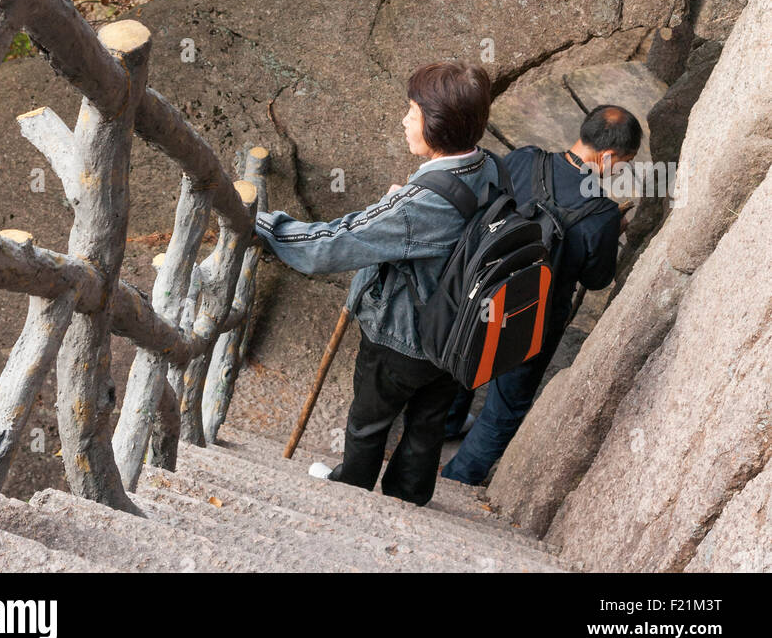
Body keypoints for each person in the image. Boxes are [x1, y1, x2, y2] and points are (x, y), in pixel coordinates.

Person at [254, 61, 502, 507]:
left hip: (402, 336)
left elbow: (332, 243)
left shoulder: (423, 201)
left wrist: (263, 225)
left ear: (437, 125)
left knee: (369, 421)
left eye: (412, 111)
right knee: (427, 425)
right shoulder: (489, 167)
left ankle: (351, 493)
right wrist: (400, 211)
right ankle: (408, 500)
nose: (405, 120)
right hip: (459, 333)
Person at [440, 103, 641, 487]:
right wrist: (610, 233)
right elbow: (597, 280)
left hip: (477, 291)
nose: (621, 170)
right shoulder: (601, 215)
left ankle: (448, 424)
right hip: (534, 318)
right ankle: (457, 481)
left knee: (462, 360)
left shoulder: (523, 160)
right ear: (609, 156)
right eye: (624, 163)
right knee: (506, 405)